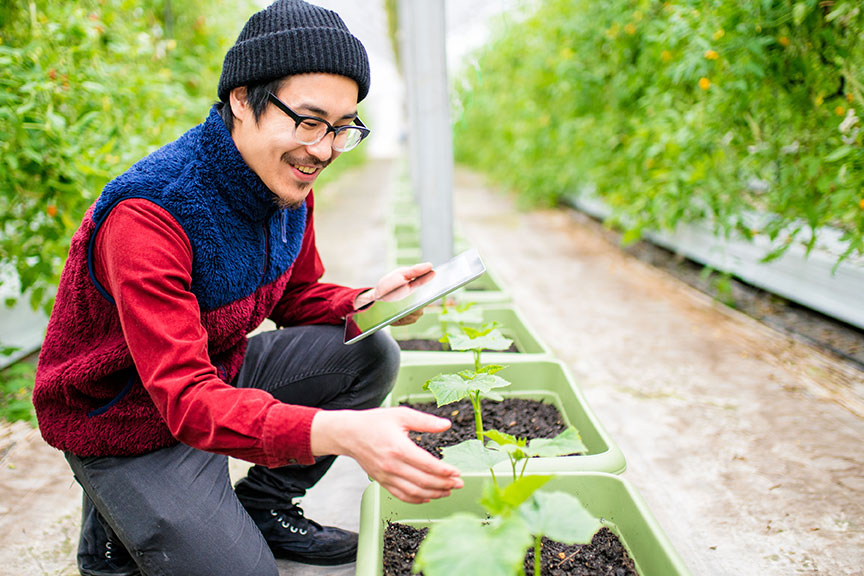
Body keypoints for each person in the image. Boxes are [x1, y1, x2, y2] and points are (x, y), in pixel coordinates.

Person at [31, 1, 463, 575]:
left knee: (369, 352)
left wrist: (370, 304)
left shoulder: (284, 180)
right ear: (241, 99)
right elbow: (184, 399)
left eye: (342, 127)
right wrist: (338, 434)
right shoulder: (152, 214)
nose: (324, 149)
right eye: (309, 121)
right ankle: (113, 531)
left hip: (213, 374)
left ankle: (262, 508)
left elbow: (295, 296)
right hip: (127, 416)